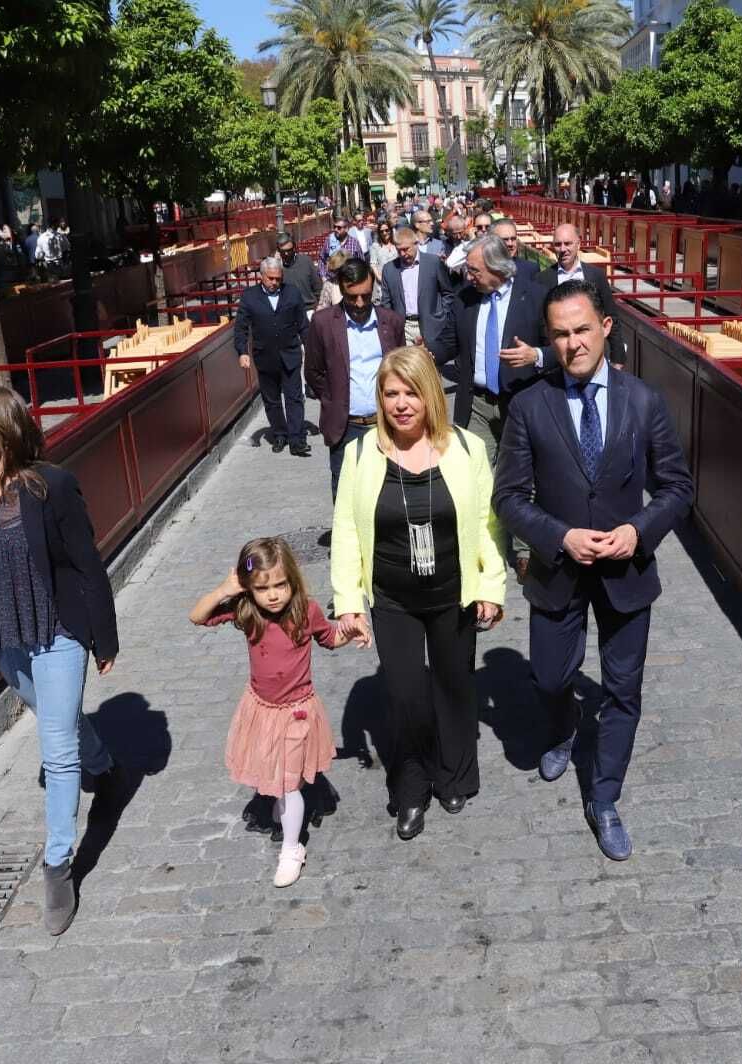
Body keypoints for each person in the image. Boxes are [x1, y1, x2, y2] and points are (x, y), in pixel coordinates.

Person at [492, 280, 693, 861]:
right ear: (548, 340)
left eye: (583, 329)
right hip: (558, 569)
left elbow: (677, 488)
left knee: (624, 691)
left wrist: (638, 530)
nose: (573, 343)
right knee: (552, 678)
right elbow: (508, 497)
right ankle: (562, 726)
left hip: (627, 573)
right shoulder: (531, 405)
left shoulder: (642, 401)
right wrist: (559, 537)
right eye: (560, 334)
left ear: (606, 327)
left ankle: (604, 798)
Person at [0, 386, 122, 934]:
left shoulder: (53, 487)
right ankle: (105, 763)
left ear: (4, 430)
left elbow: (87, 565)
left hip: (59, 631)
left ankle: (58, 863)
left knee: (56, 749)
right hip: (5, 638)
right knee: (56, 719)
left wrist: (103, 638)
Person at [330, 346, 505, 841]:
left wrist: (492, 584)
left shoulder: (467, 447)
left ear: (430, 394)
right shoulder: (361, 454)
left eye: (411, 392)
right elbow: (345, 528)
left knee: (453, 689)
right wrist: (348, 603)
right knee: (406, 698)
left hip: (454, 593)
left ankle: (454, 775)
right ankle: (411, 787)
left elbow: (489, 524)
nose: (401, 404)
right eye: (391, 393)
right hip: (393, 599)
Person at [189, 538, 359, 886]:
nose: (273, 595)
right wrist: (225, 588)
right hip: (262, 709)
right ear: (248, 588)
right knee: (273, 772)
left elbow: (329, 639)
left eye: (280, 585)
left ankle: (292, 848)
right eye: (262, 587)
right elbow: (197, 615)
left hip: (297, 712)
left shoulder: (305, 611)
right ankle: (281, 805)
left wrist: (351, 630)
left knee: (288, 785)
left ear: (292, 581)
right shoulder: (246, 610)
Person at [429, 233, 548, 440]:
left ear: (497, 267)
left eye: (474, 270)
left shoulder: (537, 297)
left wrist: (536, 355)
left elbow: (559, 348)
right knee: (477, 469)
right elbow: (449, 341)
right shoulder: (465, 298)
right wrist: (428, 353)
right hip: (476, 405)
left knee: (515, 471)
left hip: (520, 403)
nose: (468, 277)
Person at [304, 257, 407, 495]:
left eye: (366, 295)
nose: (360, 303)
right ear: (341, 290)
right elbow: (313, 371)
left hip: (387, 424)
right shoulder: (323, 323)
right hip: (345, 427)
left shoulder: (391, 322)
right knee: (345, 489)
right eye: (352, 297)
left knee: (389, 489)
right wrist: (334, 398)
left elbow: (401, 370)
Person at [234, 255, 311, 457]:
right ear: (262, 277)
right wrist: (242, 352)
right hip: (265, 357)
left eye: (278, 279)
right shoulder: (250, 297)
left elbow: (303, 324)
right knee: (272, 400)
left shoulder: (292, 293)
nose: (275, 283)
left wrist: (311, 348)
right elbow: (241, 327)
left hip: (290, 355)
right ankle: (280, 434)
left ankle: (296, 439)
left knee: (294, 398)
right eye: (271, 279)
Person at [538, 224, 627, 367]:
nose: (563, 249)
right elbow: (542, 324)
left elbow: (612, 316)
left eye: (568, 243)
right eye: (558, 244)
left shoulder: (596, 275)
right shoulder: (542, 279)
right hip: (557, 362)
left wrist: (618, 359)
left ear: (578, 244)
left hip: (592, 357)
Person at [380, 224, 452, 349]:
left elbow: (447, 293)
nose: (403, 254)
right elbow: (386, 302)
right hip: (404, 327)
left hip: (431, 325)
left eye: (406, 249)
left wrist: (442, 316)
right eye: (399, 250)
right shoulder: (389, 269)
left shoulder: (433, 263)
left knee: (430, 365)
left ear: (416, 244)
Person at [276, 234, 322, 313]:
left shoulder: (306, 261)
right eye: (283, 251)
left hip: (309, 309)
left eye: (289, 250)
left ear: (294, 248)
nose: (286, 254)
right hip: (289, 311)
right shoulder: (276, 267)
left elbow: (318, 287)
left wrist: (320, 306)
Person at [490, 220, 540, 285]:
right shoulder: (482, 269)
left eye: (513, 239)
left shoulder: (530, 269)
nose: (510, 244)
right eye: (505, 240)